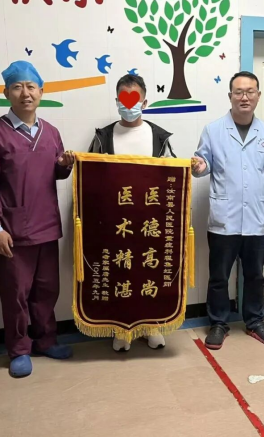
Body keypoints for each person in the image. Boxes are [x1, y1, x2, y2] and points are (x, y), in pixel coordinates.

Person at [0, 61, 75, 378]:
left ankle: (46, 340)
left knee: (47, 290)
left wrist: (64, 166)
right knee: (15, 294)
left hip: (47, 226)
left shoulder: (51, 132)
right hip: (12, 231)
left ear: (41, 92)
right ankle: (19, 349)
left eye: (31, 87)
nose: (25, 93)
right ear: (7, 93)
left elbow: (53, 174)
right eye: (17, 87)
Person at [191, 71, 264, 350]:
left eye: (250, 91)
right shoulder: (213, 130)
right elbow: (202, 163)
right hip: (224, 219)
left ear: (258, 95)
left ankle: (255, 321)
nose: (244, 97)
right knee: (219, 276)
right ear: (230, 95)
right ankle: (219, 323)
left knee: (255, 275)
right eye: (239, 92)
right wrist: (199, 167)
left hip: (256, 217)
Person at [89, 74, 176, 352]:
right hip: (117, 222)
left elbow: (173, 175)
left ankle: (152, 326)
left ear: (145, 102)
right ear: (117, 102)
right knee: (121, 272)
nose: (129, 105)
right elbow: (91, 176)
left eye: (135, 99)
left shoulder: (159, 136)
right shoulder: (103, 136)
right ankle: (121, 329)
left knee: (150, 271)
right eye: (124, 100)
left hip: (151, 220)